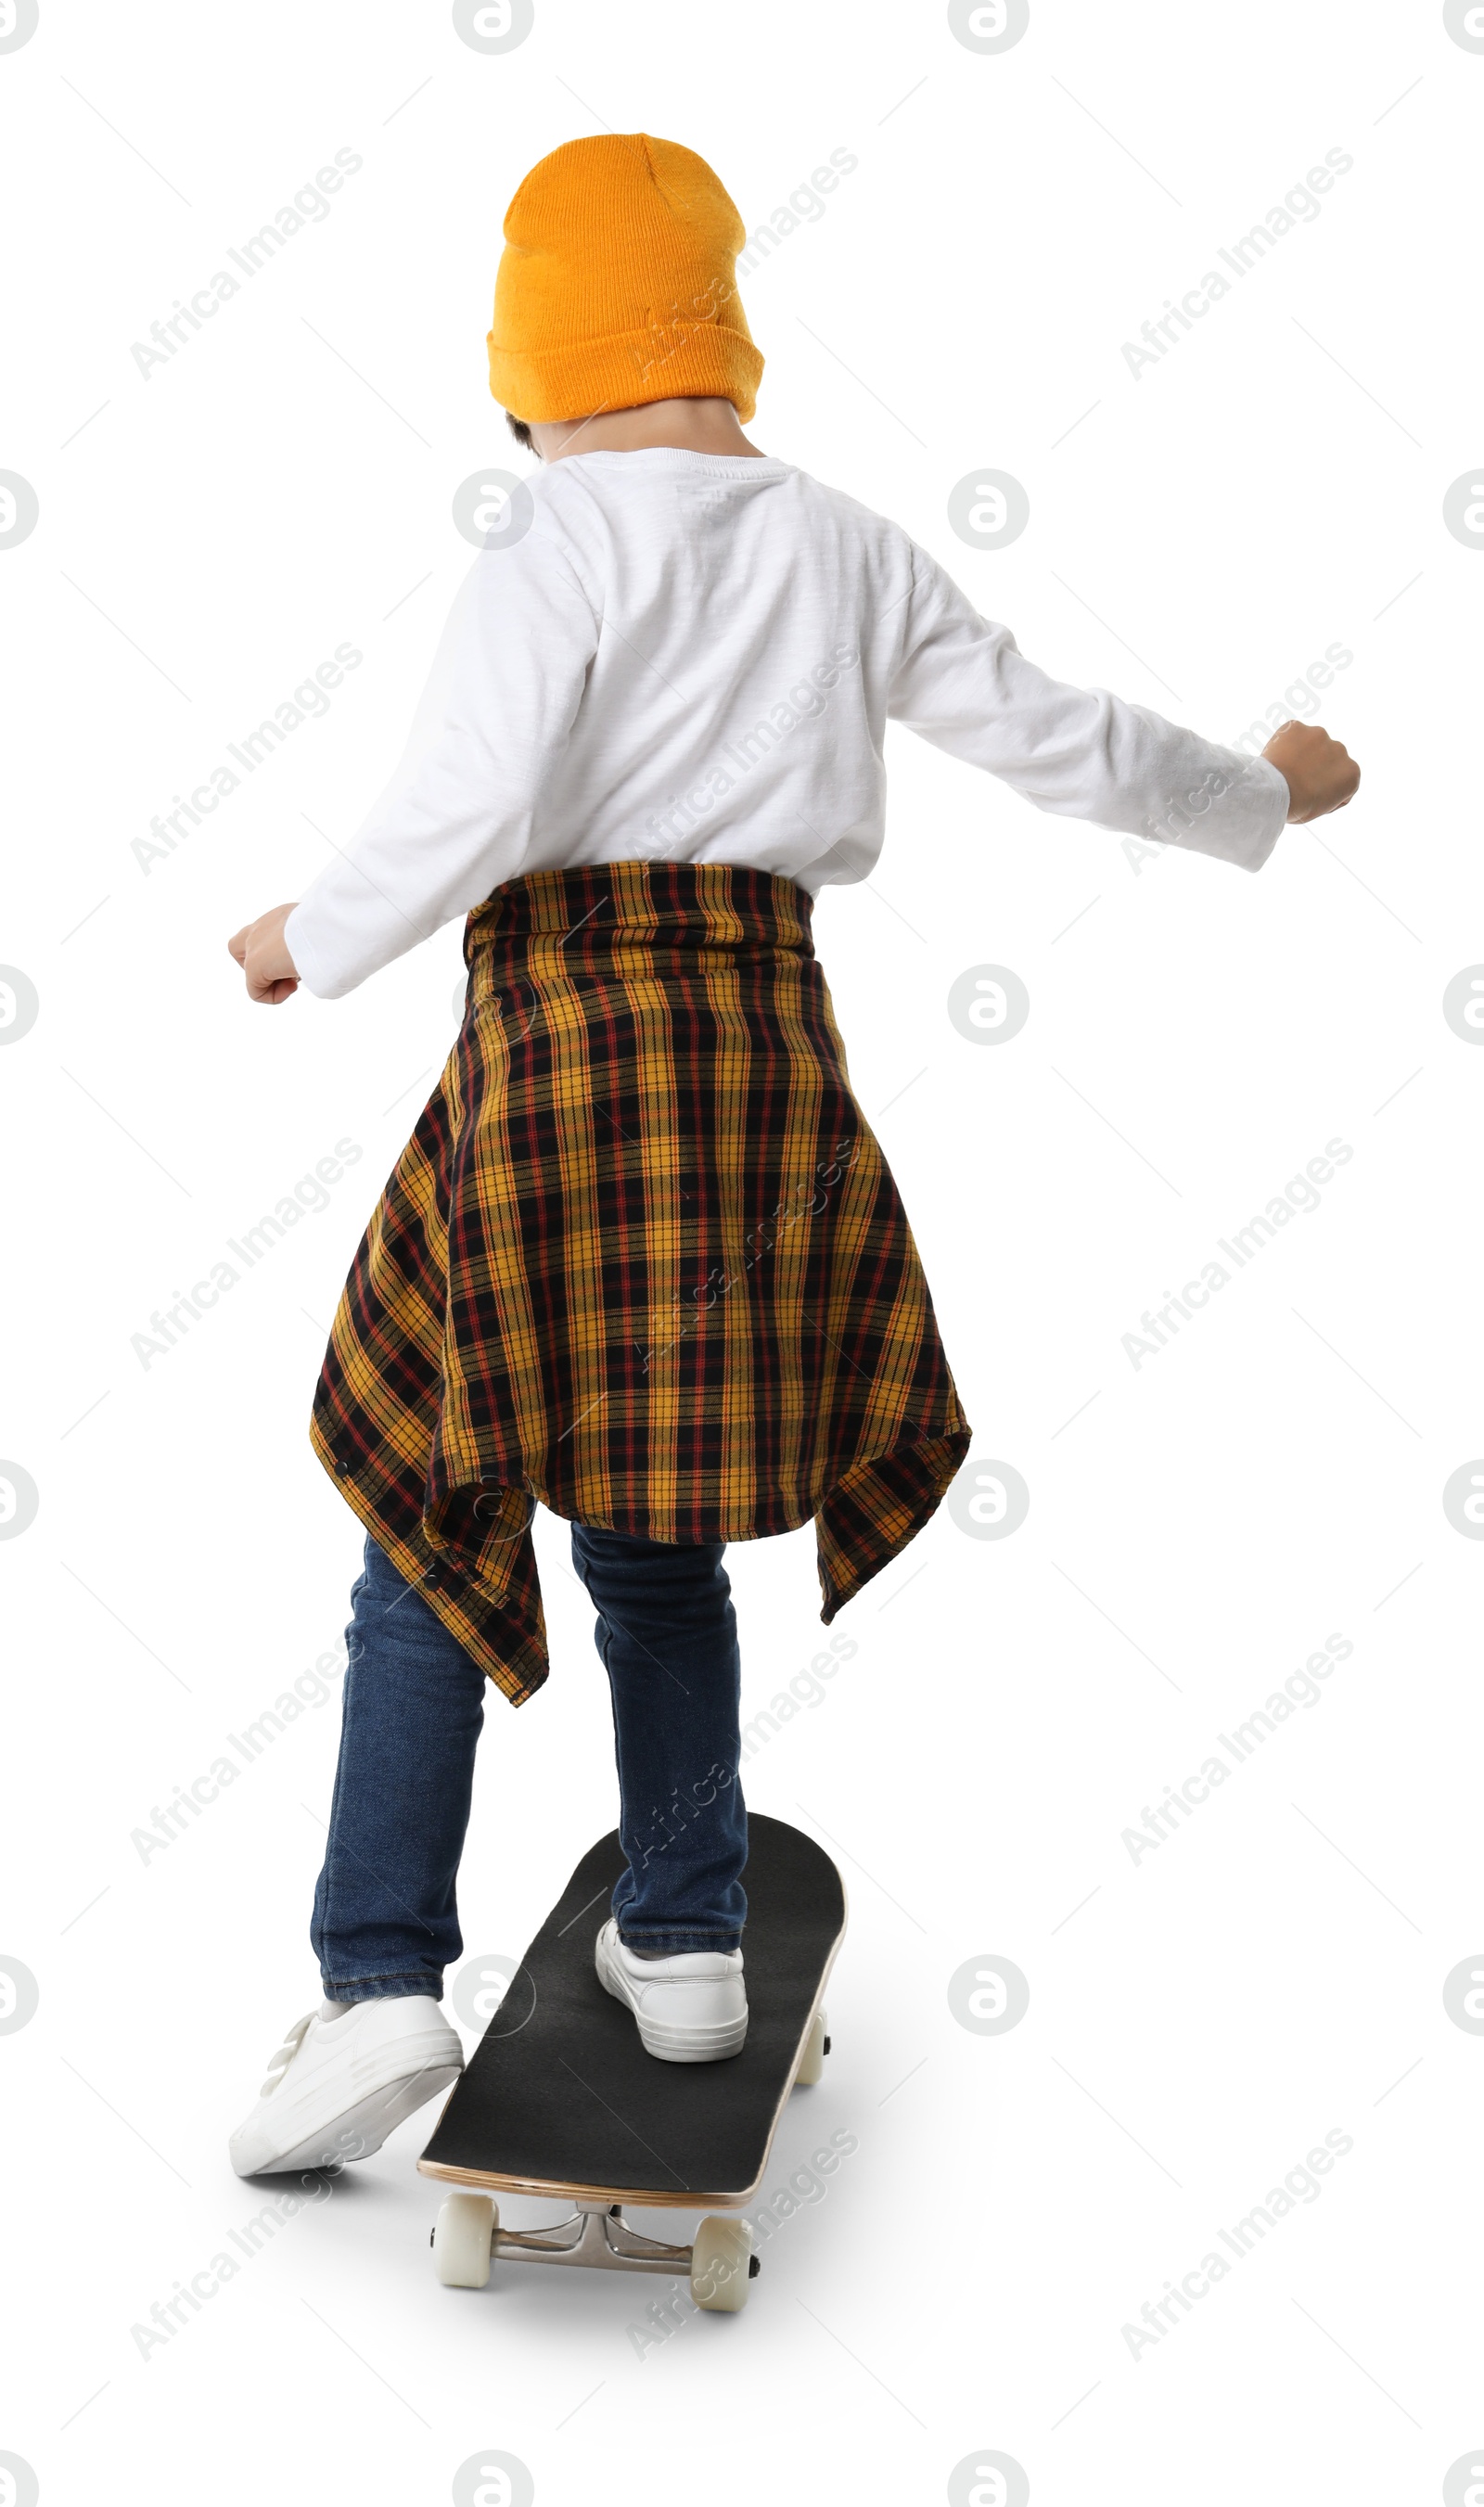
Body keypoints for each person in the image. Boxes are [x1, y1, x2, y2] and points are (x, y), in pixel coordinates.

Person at [224, 133, 1359, 2179]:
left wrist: (308, 935)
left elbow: (467, 792)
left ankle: (379, 1978)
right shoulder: (840, 543)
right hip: (759, 1063)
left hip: (561, 1047)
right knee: (659, 1525)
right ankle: (683, 1933)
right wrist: (1260, 790)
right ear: (727, 344)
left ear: (532, 365)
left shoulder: (551, 539)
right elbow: (1058, 737)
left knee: (429, 1492)